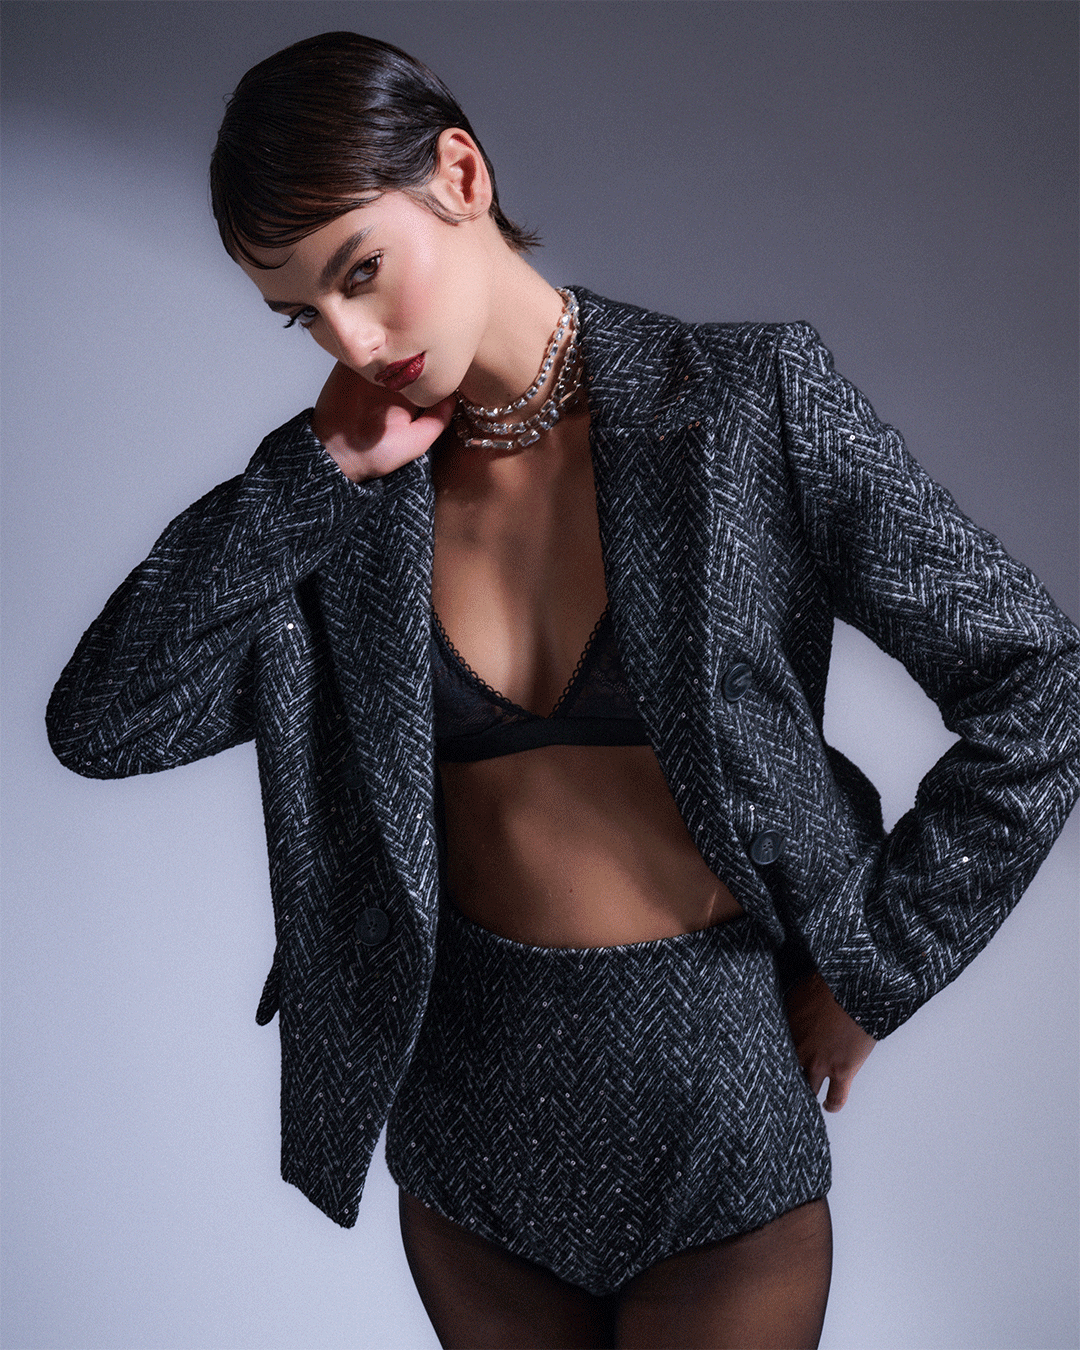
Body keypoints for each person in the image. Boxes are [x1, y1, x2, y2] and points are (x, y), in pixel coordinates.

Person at [46, 30, 1079, 1350]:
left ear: (460, 176)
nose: (351, 340)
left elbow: (1038, 681)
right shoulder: (340, 505)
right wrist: (309, 472)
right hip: (468, 1136)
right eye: (303, 315)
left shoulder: (745, 406)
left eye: (359, 272)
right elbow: (105, 722)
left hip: (717, 1117)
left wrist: (879, 964)